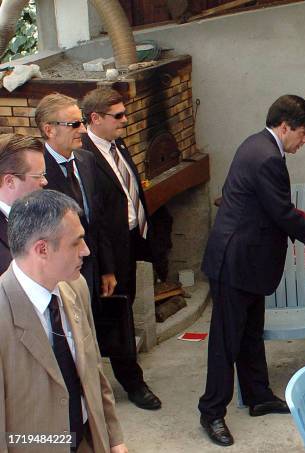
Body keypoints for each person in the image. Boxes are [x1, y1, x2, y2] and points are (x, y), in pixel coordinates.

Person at [198, 94, 305, 447]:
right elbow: (282, 212)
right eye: (304, 132)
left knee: (250, 332)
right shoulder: (266, 158)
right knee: (226, 341)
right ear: (285, 126)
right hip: (236, 259)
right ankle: (212, 411)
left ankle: (258, 395)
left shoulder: (258, 145)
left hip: (250, 260)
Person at [0, 189, 127, 453]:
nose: (86, 251)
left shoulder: (75, 286)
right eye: (76, 242)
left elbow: (94, 370)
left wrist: (114, 439)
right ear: (42, 249)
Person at [79, 87, 161, 411]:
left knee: (125, 312)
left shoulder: (117, 144)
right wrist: (108, 267)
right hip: (107, 251)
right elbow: (95, 217)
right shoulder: (84, 155)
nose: (125, 121)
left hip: (130, 241)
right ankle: (132, 382)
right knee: (117, 319)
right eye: (119, 116)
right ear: (95, 118)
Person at [34, 93, 115, 301]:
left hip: (94, 272)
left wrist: (107, 268)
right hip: (61, 280)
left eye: (83, 122)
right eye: (74, 124)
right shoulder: (37, 174)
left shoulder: (86, 160)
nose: (83, 130)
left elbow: (99, 219)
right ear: (49, 130)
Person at [0, 133, 47, 273]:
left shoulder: (40, 216)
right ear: (10, 181)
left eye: (44, 174)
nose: (45, 181)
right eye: (38, 176)